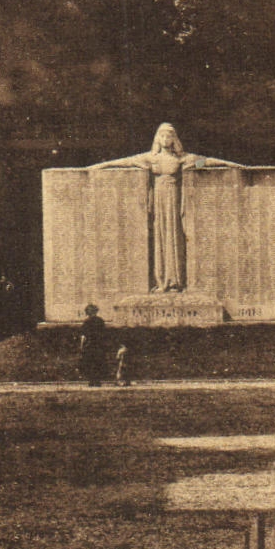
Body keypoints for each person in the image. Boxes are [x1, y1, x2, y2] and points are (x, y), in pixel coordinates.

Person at [90, 124, 237, 292]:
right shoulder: (151, 158)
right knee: (159, 236)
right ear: (157, 139)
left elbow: (207, 161)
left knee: (174, 235)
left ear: (174, 139)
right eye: (163, 136)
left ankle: (175, 281)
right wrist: (100, 166)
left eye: (169, 137)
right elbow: (126, 162)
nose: (166, 140)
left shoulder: (181, 159)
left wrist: (231, 164)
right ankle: (161, 281)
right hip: (158, 199)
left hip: (174, 198)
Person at [78, 304, 108, 386]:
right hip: (99, 345)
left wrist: (81, 346)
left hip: (90, 345)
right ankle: (97, 381)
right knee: (98, 362)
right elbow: (104, 334)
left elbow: (83, 335)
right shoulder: (100, 321)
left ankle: (92, 381)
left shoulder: (87, 322)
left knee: (90, 363)